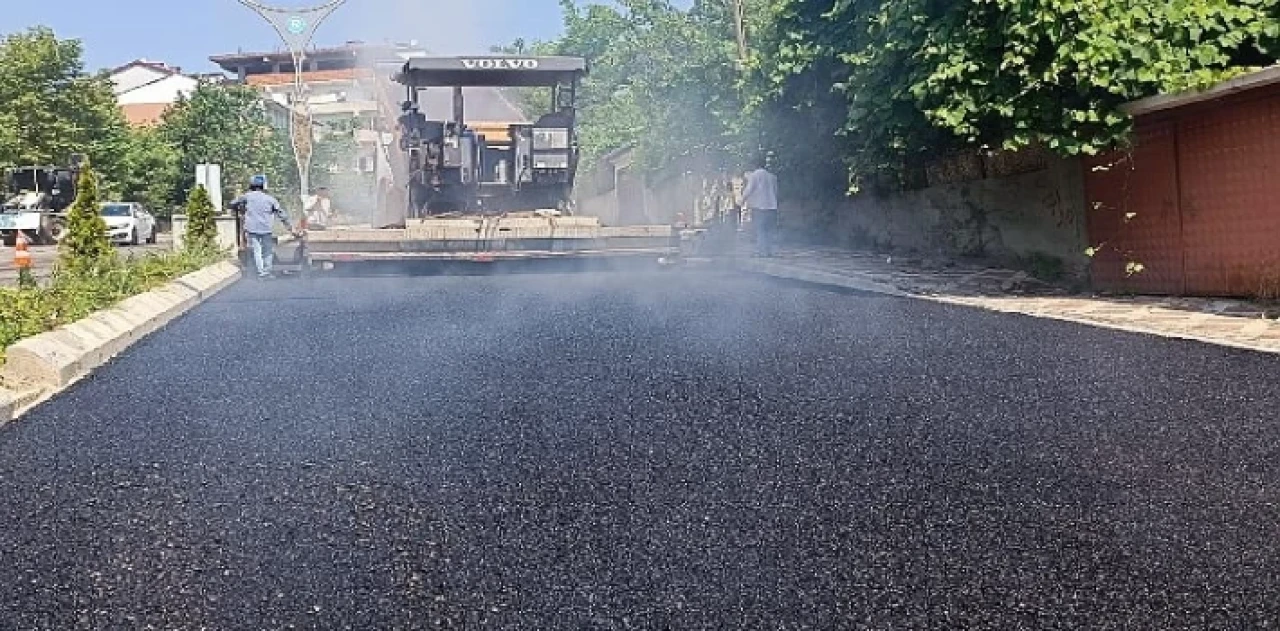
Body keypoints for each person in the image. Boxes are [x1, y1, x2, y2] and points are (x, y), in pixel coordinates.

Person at [230, 174, 299, 279]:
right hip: (266, 229)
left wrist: (240, 208)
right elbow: (281, 214)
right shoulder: (270, 199)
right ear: (264, 186)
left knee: (257, 250)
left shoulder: (246, 197)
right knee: (267, 251)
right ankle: (266, 271)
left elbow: (232, 204)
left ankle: (261, 272)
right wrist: (290, 228)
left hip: (251, 229)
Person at [741, 155, 779, 257]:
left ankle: (761, 252)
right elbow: (775, 192)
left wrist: (742, 201)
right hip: (772, 206)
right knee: (768, 230)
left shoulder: (755, 175)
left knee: (760, 230)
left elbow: (749, 190)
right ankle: (768, 251)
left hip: (759, 207)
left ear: (755, 164)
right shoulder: (772, 176)